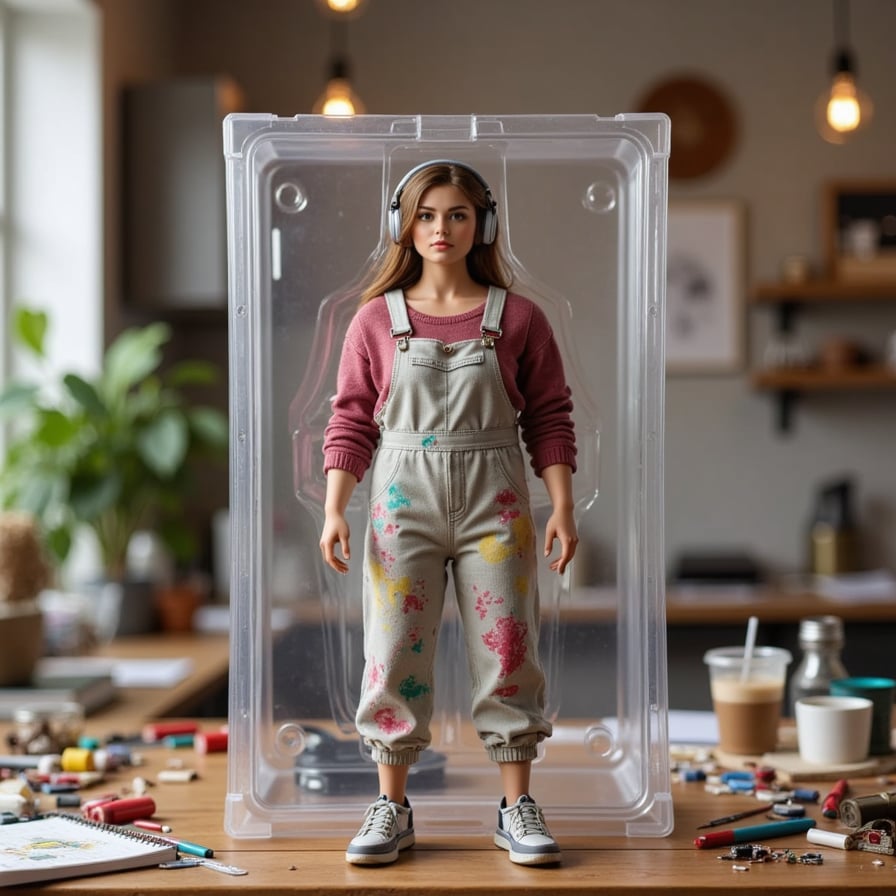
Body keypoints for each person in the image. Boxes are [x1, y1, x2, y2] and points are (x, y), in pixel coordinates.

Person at [320, 159, 578, 867]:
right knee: (393, 650)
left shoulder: (519, 317)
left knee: (508, 651)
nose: (441, 229)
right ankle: (392, 806)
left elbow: (551, 415)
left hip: (497, 501)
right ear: (403, 225)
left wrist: (560, 505)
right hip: (403, 504)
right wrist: (336, 508)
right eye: (427, 215)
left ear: (482, 224)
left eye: (457, 214)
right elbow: (350, 420)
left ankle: (516, 805)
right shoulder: (375, 320)